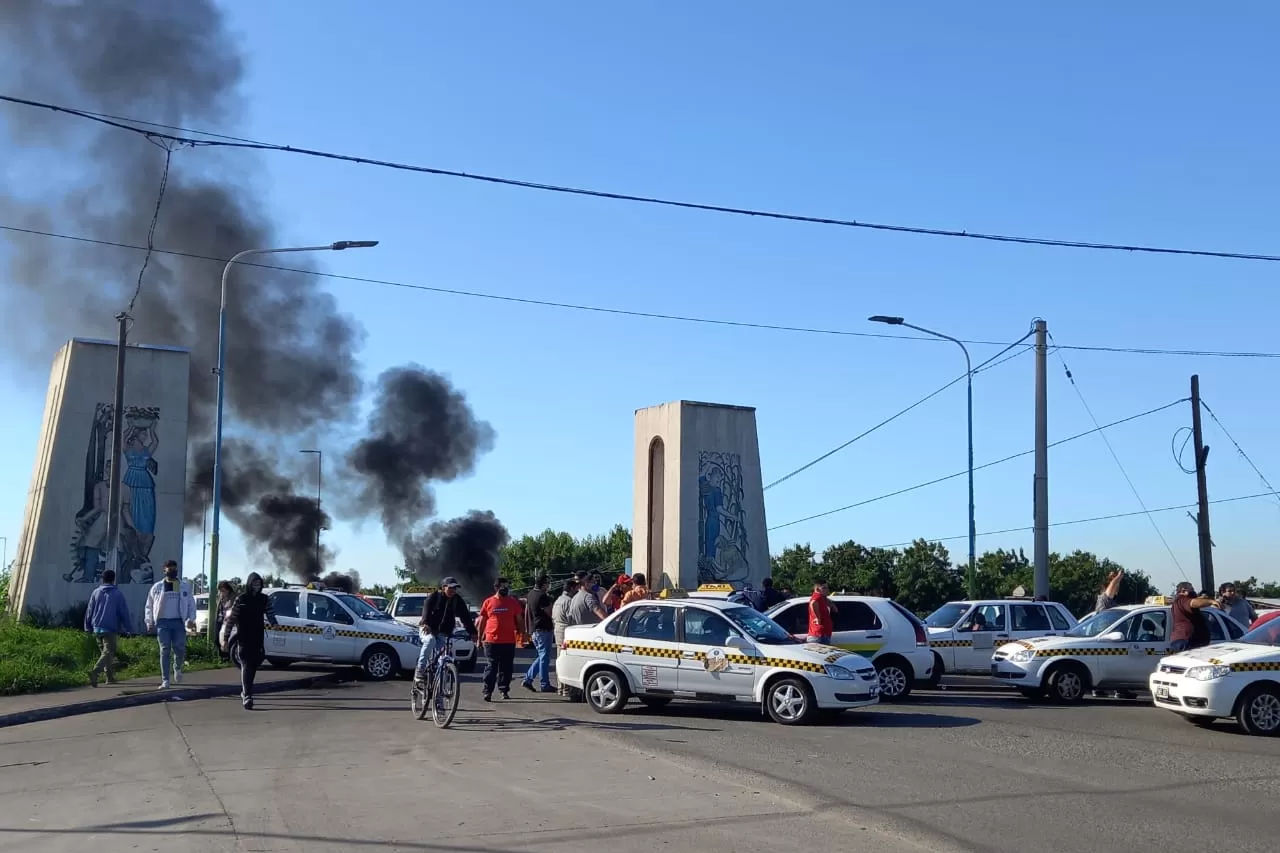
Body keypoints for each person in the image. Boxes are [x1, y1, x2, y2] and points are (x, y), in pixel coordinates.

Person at [219, 572, 278, 710]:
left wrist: (274, 622)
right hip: (244, 637)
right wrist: (225, 640)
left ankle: (246, 690)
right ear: (249, 583)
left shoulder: (264, 599)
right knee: (246, 664)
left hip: (258, 637)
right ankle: (247, 695)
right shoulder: (241, 599)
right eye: (254, 583)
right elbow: (231, 620)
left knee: (255, 663)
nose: (256, 586)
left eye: (259, 583)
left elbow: (270, 613)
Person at [413, 577, 478, 684]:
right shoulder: (434, 597)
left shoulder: (457, 600)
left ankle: (439, 695)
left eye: (455, 588)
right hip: (428, 629)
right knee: (430, 641)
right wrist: (425, 623)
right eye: (450, 588)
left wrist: (473, 632)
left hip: (443, 632)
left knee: (442, 661)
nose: (453, 590)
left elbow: (465, 617)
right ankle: (420, 670)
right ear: (443, 587)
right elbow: (426, 610)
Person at [144, 559, 196, 689]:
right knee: (164, 650)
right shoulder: (157, 587)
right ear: (164, 570)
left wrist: (191, 619)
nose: (172, 570)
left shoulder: (183, 586)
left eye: (174, 568)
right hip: (163, 622)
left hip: (178, 621)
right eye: (169, 568)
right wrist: (149, 621)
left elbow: (190, 604)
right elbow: (149, 606)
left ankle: (177, 667)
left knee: (179, 648)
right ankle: (165, 680)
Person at [476, 577, 525, 701]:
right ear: (497, 588)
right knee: (491, 667)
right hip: (491, 640)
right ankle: (487, 691)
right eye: (503, 587)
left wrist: (522, 633)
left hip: (508, 641)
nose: (506, 589)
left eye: (507, 586)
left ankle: (504, 689)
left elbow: (519, 619)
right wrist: (479, 638)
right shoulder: (488, 602)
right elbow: (482, 621)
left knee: (506, 667)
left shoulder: (512, 602)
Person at [84, 569, 133, 687]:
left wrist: (87, 626)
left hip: (97, 627)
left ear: (102, 579)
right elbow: (123, 612)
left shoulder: (96, 592)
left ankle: (109, 677)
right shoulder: (117, 594)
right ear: (113, 579)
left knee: (104, 653)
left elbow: (90, 609)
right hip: (109, 627)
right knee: (109, 652)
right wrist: (128, 628)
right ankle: (95, 672)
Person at [521, 575, 556, 693]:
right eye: (548, 583)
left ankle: (528, 679)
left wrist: (528, 629)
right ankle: (544, 684)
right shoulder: (542, 596)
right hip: (543, 629)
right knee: (544, 657)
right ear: (543, 584)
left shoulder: (530, 594)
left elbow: (526, 612)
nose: (548, 586)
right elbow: (550, 612)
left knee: (541, 656)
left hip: (535, 630)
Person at [552, 576, 580, 697]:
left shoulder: (558, 600)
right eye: (576, 588)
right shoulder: (569, 601)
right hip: (566, 631)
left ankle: (560, 688)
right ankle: (566, 688)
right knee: (566, 660)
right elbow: (572, 618)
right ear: (572, 588)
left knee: (559, 659)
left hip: (557, 630)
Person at [1170, 581, 1216, 652]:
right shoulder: (1182, 599)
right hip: (1187, 642)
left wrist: (1201, 598)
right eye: (1191, 589)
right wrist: (1211, 601)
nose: (1193, 592)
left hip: (1184, 641)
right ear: (1183, 591)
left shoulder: (1177, 602)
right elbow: (1192, 603)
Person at [807, 579, 837, 644]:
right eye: (824, 588)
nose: (827, 590)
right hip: (818, 636)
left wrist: (832, 605)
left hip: (821, 635)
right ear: (817, 589)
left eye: (827, 587)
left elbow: (834, 609)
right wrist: (817, 618)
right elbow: (813, 603)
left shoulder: (822, 598)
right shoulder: (817, 597)